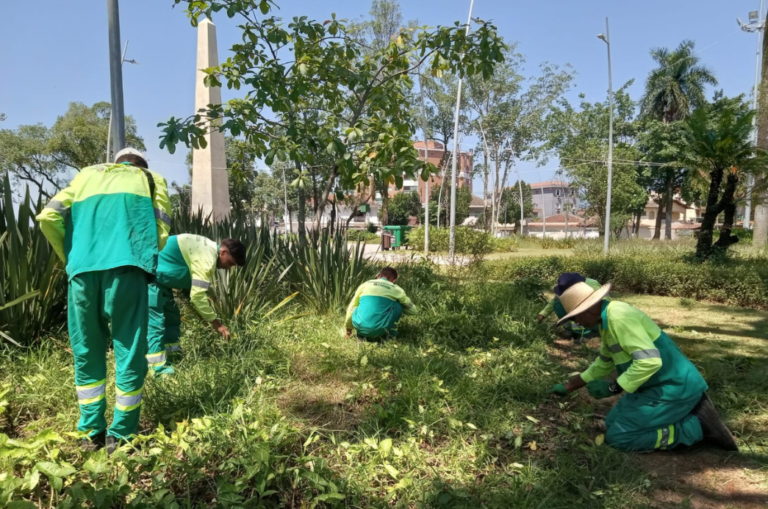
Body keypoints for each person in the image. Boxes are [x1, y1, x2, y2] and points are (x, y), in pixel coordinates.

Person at [36, 148, 171, 454]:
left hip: (82, 273)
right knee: (130, 348)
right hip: (127, 269)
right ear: (140, 165)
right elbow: (161, 228)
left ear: (116, 163)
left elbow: (48, 217)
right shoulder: (149, 178)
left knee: (86, 350)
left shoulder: (84, 176)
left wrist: (72, 259)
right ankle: (120, 435)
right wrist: (139, 256)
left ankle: (90, 433)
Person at [548, 282, 738, 452]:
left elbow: (649, 361)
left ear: (587, 310)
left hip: (673, 387)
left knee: (620, 437)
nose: (576, 323)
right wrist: (569, 386)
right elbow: (603, 364)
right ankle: (673, 417)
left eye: (574, 318)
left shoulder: (618, 317)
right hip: (649, 387)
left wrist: (612, 388)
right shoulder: (606, 323)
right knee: (611, 423)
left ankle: (693, 428)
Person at [146, 235, 246, 375]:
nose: (228, 268)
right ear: (223, 252)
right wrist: (217, 324)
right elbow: (197, 296)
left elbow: (188, 280)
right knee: (156, 323)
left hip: (162, 283)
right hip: (150, 279)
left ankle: (173, 358)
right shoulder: (207, 259)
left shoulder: (207, 248)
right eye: (230, 263)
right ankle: (157, 370)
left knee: (172, 319)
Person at [345, 267, 416, 341]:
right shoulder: (396, 289)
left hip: (359, 327)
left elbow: (351, 308)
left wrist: (348, 331)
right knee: (397, 304)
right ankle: (391, 334)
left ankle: (361, 335)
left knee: (358, 304)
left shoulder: (365, 285)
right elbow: (413, 311)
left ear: (378, 276)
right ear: (394, 280)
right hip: (381, 329)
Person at [537, 272, 604, 340]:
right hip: (578, 314)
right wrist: (543, 314)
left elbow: (604, 302)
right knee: (558, 302)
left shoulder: (592, 284)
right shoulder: (564, 289)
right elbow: (554, 301)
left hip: (593, 314)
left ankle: (590, 332)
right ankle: (574, 330)